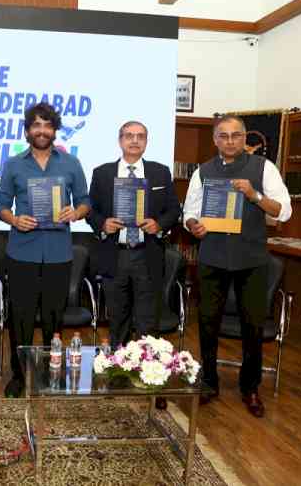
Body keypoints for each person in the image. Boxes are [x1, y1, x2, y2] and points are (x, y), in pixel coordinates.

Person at [183, 115, 292, 418]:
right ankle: (209, 382)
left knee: (253, 325)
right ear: (215, 140)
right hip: (212, 257)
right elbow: (190, 212)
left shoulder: (263, 168)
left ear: (245, 139)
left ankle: (250, 387)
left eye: (235, 135)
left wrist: (254, 195)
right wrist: (194, 225)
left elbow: (284, 211)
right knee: (207, 323)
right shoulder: (202, 172)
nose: (229, 141)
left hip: (252, 260)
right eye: (223, 136)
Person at [0, 102, 90, 398]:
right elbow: (1, 205)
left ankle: (52, 373)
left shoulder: (71, 164)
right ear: (27, 131)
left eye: (47, 125)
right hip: (21, 251)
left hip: (59, 253)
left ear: (54, 130)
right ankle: (18, 376)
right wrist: (14, 219)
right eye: (36, 125)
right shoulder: (13, 164)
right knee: (20, 317)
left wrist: (75, 213)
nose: (42, 130)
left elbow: (86, 202)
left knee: (53, 318)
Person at [86, 121, 181, 409]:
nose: (134, 141)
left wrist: (159, 224)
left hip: (147, 253)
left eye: (140, 137)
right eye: (129, 136)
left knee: (148, 321)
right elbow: (92, 209)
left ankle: (152, 380)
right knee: (117, 320)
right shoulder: (102, 173)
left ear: (147, 142)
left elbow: (173, 210)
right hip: (115, 253)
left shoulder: (160, 172)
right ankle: (118, 375)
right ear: (120, 140)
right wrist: (102, 223)